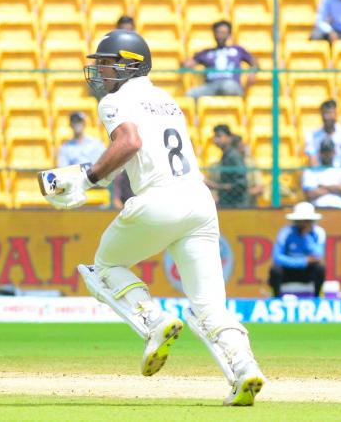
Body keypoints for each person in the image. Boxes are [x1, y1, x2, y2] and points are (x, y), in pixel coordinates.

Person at [44, 29, 265, 405]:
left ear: (129, 65)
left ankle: (153, 319)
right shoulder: (166, 99)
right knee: (211, 305)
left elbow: (129, 143)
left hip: (160, 200)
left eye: (107, 65)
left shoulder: (116, 100)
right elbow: (136, 154)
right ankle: (245, 368)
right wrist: (88, 176)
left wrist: (88, 178)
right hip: (199, 202)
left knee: (103, 267)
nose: (100, 74)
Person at [182, 20, 258, 98]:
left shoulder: (237, 50)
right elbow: (187, 64)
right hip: (211, 85)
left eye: (224, 33)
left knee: (227, 87)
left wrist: (252, 72)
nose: (220, 35)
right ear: (214, 34)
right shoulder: (207, 53)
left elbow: (254, 62)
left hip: (231, 84)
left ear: (229, 35)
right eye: (218, 32)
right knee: (190, 94)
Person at [268, 202, 326, 297]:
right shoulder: (286, 232)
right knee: (275, 270)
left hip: (307, 273)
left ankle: (317, 297)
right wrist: (303, 261)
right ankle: (276, 298)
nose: (304, 224)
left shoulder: (318, 233)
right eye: (301, 221)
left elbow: (318, 255)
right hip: (288, 270)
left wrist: (306, 237)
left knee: (320, 269)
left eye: (307, 221)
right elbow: (277, 257)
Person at [204, 124, 249, 208]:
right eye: (215, 137)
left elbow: (241, 184)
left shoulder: (234, 157)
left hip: (237, 206)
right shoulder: (226, 156)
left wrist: (215, 185)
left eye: (219, 136)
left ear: (229, 138)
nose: (215, 140)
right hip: (228, 205)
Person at [302, 138, 341, 208]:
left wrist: (324, 187)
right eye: (324, 151)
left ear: (334, 152)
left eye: (329, 151)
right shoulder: (311, 170)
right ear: (320, 152)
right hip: (319, 209)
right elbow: (310, 193)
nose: (327, 154)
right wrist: (336, 189)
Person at [304, 99, 341, 167]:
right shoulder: (312, 136)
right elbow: (313, 164)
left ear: (336, 114)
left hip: (340, 174)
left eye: (330, 113)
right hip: (319, 175)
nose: (327, 117)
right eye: (325, 113)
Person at [234, 134, 265, 206]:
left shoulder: (251, 163)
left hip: (248, 205)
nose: (243, 148)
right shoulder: (221, 163)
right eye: (240, 146)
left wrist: (244, 194)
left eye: (243, 146)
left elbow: (260, 187)